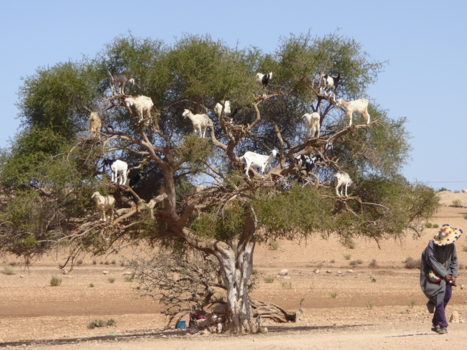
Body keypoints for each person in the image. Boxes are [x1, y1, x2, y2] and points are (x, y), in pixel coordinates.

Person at [420, 224, 461, 335]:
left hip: (446, 276)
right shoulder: (431, 246)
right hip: (433, 276)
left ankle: (435, 322)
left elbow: (454, 261)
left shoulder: (451, 246)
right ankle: (443, 325)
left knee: (447, 296)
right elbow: (432, 261)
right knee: (439, 298)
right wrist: (444, 273)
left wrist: (454, 274)